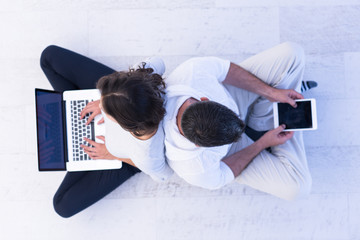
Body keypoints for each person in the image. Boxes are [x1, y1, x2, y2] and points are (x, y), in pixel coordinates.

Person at [163, 42, 313, 200]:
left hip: (234, 96)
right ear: (198, 145)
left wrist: (271, 92)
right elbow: (225, 173)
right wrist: (261, 144)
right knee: (298, 189)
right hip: (232, 152)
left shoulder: (192, 74)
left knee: (293, 53)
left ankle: (271, 111)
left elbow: (226, 70)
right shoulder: (193, 168)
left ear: (204, 98)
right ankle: (278, 121)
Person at [40, 45, 173, 218]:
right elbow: (157, 61)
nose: (100, 105)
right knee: (49, 57)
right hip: (127, 95)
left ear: (123, 123)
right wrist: (117, 94)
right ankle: (112, 97)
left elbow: (163, 174)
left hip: (122, 156)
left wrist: (112, 154)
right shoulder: (144, 81)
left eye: (107, 111)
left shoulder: (147, 156)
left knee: (62, 205)